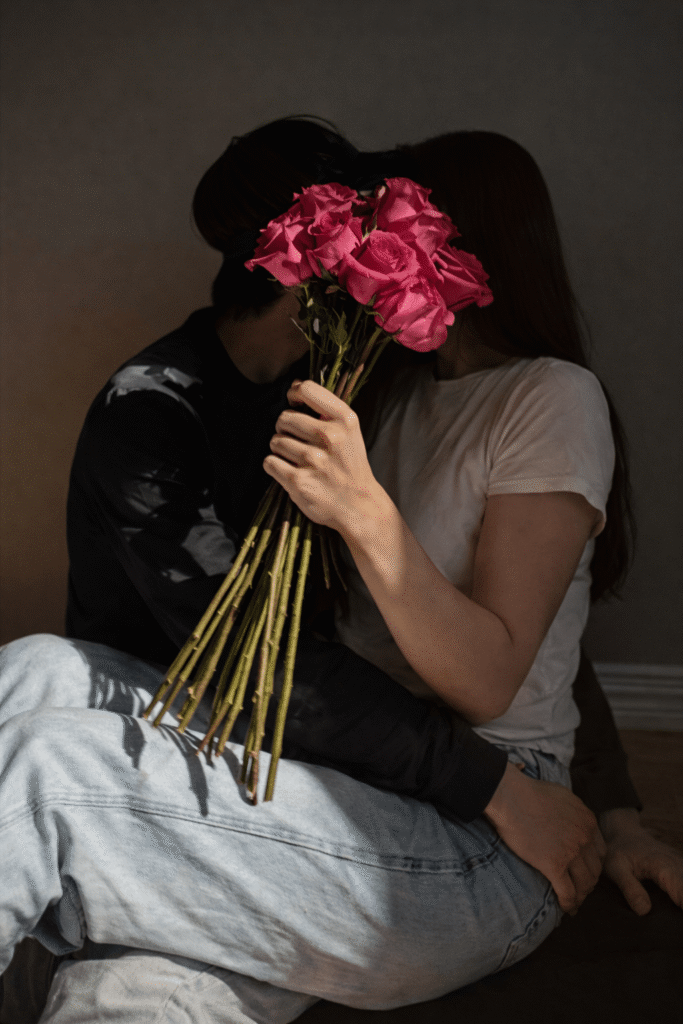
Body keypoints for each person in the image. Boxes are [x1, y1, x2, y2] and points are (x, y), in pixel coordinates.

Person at [1, 120, 681, 1024]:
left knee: (47, 769)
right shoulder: (341, 398)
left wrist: (607, 802)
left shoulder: (535, 396)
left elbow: (521, 643)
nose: (373, 255)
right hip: (317, 759)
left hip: (458, 811)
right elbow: (291, 649)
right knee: (34, 675)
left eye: (392, 232)